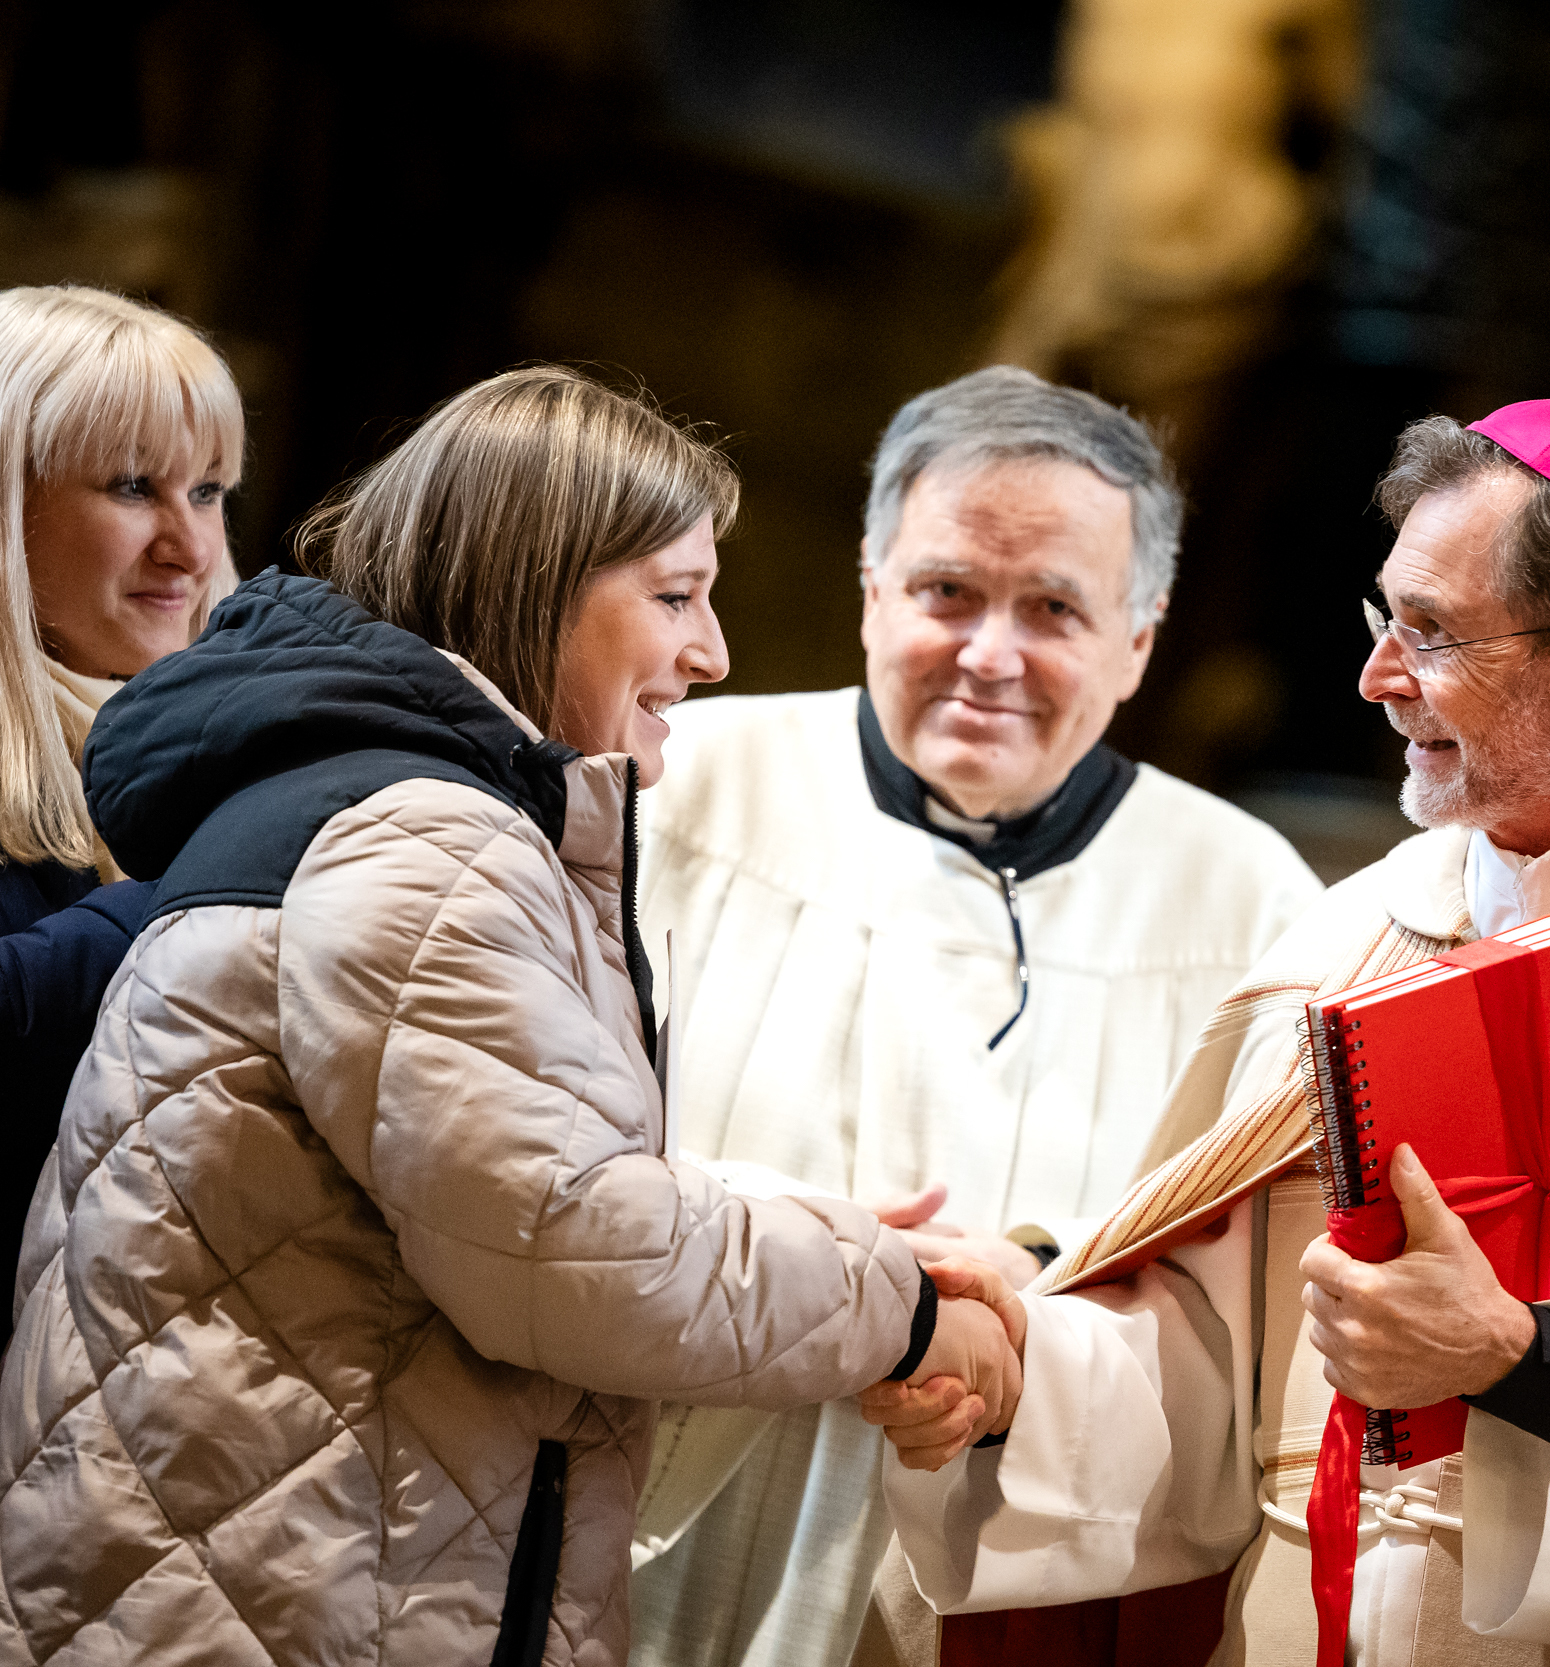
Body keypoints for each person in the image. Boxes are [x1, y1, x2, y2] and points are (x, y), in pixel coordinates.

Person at [863, 398, 1550, 1665]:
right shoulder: (1346, 942)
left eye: (1434, 633)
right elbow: (1207, 1362)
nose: (1377, 675)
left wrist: (1518, 1359)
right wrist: (1016, 1365)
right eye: (1384, 618)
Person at [0, 365, 1021, 1666]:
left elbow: (494, 1176)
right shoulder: (420, 838)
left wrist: (825, 1235)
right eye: (673, 597)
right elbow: (569, 1247)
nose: (711, 652)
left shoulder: (387, 804)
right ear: (537, 584)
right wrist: (911, 1306)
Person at [627, 364, 1320, 1667]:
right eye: (947, 590)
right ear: (872, 589)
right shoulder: (673, 793)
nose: (990, 655)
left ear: (1140, 637)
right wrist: (830, 1270)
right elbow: (534, 1163)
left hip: (986, 1593)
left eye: (1053, 607)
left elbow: (1257, 1337)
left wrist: (1030, 1321)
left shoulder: (1254, 910)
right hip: (642, 1541)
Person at [0, 284, 241, 1277]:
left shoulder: (234, 746)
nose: (191, 548)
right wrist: (200, 893)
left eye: (210, 491)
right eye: (135, 486)